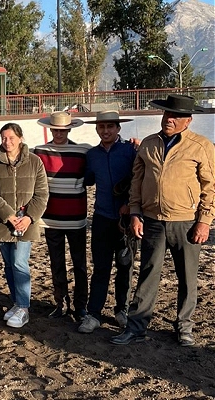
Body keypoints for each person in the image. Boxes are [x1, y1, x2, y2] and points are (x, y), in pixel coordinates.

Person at [111, 95, 215, 347]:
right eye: (167, 114)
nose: (169, 119)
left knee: (188, 277)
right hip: (152, 221)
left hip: (187, 222)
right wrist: (135, 212)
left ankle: (184, 327)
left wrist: (205, 220)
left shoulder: (200, 146)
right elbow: (136, 182)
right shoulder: (148, 144)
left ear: (187, 121)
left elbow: (210, 186)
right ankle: (137, 327)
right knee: (148, 274)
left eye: (176, 116)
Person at [0, 122, 48, 328]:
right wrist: (9, 216)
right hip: (3, 223)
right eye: (4, 138)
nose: (7, 142)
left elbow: (42, 194)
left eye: (11, 138)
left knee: (20, 262)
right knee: (9, 264)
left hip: (26, 224)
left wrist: (28, 217)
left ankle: (23, 306)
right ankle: (16, 302)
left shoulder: (35, 162)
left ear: (20, 138)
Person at [79, 111, 137, 334]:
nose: (105, 131)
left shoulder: (130, 151)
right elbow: (87, 179)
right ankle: (93, 313)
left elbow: (139, 180)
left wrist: (130, 206)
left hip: (125, 219)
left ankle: (121, 310)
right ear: (97, 129)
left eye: (110, 126)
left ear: (118, 128)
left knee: (125, 266)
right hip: (102, 217)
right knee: (101, 268)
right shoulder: (92, 155)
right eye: (101, 127)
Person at [33, 112, 90, 320]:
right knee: (56, 263)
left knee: (79, 264)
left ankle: (81, 305)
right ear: (50, 129)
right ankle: (60, 303)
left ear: (69, 129)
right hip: (50, 219)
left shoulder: (83, 151)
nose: (59, 133)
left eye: (62, 130)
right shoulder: (40, 151)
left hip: (76, 218)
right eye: (56, 129)